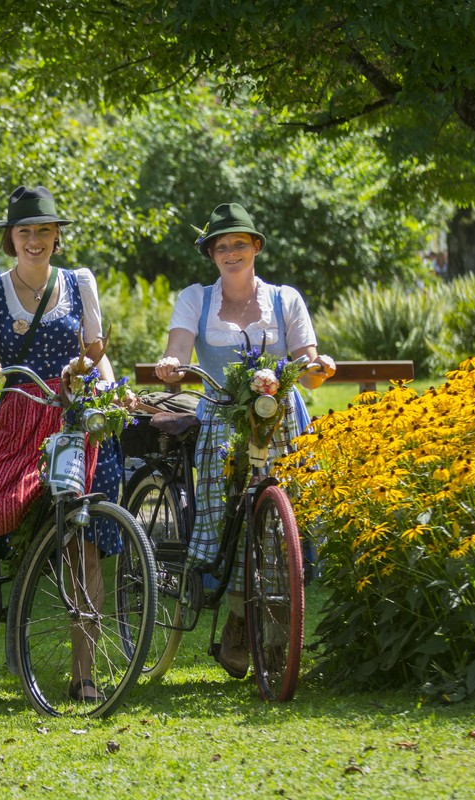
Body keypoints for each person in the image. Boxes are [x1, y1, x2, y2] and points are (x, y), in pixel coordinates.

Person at [155, 202, 335, 679]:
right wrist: (170, 365)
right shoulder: (195, 298)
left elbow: (308, 363)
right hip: (221, 416)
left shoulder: (285, 299)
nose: (230, 253)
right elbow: (176, 349)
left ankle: (274, 632)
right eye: (221, 246)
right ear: (211, 254)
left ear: (255, 246)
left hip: (280, 417)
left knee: (282, 522)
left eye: (239, 243)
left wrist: (319, 368)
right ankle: (237, 617)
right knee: (226, 512)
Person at [0, 185, 122, 703]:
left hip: (74, 418)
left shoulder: (79, 284)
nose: (35, 240)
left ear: (56, 236)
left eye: (44, 230)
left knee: (83, 538)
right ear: (11, 238)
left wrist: (107, 391)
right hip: (19, 417)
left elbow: (96, 354)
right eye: (25, 231)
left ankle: (84, 673)